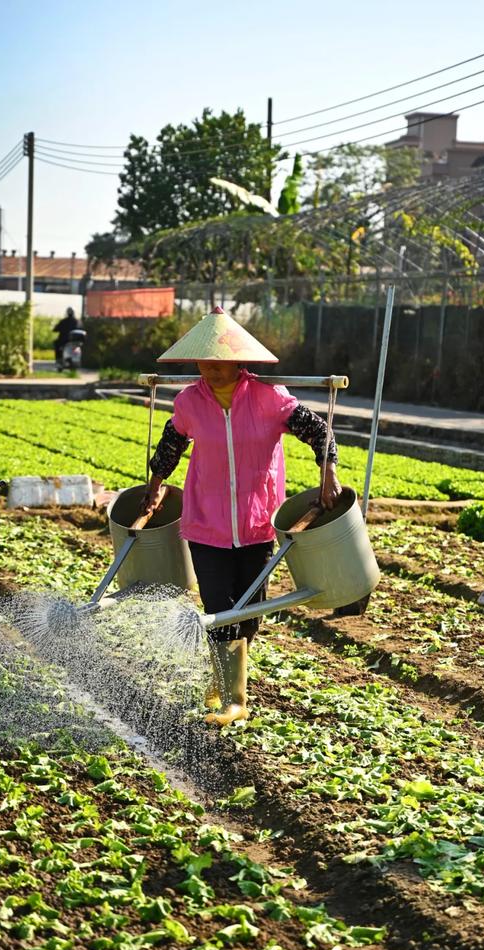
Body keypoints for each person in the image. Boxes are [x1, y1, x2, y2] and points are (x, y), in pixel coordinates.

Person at [141, 307, 342, 728]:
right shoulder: (189, 401)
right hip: (206, 523)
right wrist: (156, 482)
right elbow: (171, 443)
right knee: (219, 607)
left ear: (239, 360)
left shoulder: (271, 398)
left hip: (257, 524)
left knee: (249, 613)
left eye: (220, 361)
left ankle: (222, 677)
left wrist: (329, 474)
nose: (211, 370)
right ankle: (235, 699)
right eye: (204, 362)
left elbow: (319, 431)